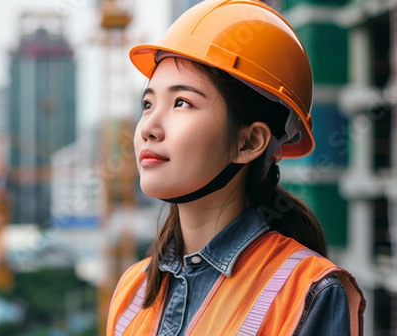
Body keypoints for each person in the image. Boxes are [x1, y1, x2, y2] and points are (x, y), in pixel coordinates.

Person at [106, 0, 366, 335]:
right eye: (147, 103)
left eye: (182, 102)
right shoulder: (133, 289)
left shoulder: (308, 291)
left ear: (249, 143)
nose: (148, 128)